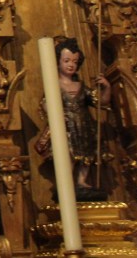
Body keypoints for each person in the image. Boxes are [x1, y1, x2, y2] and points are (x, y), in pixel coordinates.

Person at [35, 38, 111, 196]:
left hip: (84, 125)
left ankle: (82, 181)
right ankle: (67, 181)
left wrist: (106, 87)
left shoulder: (81, 86)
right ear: (57, 62)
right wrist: (54, 114)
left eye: (74, 62)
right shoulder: (54, 85)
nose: (71, 65)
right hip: (67, 127)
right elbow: (45, 103)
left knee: (87, 155)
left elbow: (100, 102)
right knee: (67, 153)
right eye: (66, 60)